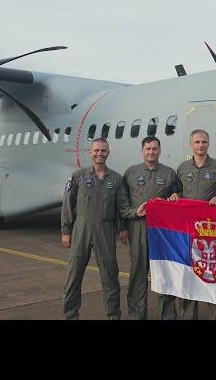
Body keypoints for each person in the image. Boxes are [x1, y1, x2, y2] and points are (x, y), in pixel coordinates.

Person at [61, 138, 130, 320]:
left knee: (110, 276)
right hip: (81, 229)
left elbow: (121, 206)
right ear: (90, 152)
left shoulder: (116, 179)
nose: (100, 154)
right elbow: (68, 204)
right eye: (96, 150)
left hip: (106, 229)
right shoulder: (78, 176)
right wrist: (66, 230)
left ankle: (113, 315)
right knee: (74, 275)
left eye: (103, 151)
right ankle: (70, 315)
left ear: (108, 153)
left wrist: (123, 228)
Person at [168, 129, 216, 320]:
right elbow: (176, 192)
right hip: (189, 232)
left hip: (211, 232)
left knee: (214, 272)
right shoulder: (183, 168)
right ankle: (188, 315)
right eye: (197, 142)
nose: (200, 145)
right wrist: (175, 196)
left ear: (208, 144)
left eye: (204, 142)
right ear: (191, 144)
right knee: (189, 273)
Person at [120, 136, 177, 320]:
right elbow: (122, 204)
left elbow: (177, 199)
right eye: (147, 148)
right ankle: (137, 315)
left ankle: (167, 315)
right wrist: (128, 220)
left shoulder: (169, 174)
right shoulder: (130, 173)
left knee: (164, 274)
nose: (151, 152)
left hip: (162, 233)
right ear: (142, 151)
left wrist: (173, 199)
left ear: (159, 151)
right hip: (138, 229)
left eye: (154, 148)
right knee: (138, 274)